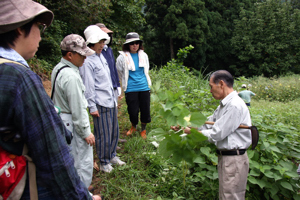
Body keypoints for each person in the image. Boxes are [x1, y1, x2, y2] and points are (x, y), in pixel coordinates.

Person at [0, 0, 101, 199]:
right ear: (20, 29)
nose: (40, 36)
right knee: (79, 162)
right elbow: (53, 155)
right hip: (27, 184)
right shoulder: (19, 77)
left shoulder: (56, 69)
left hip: (7, 177)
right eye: (39, 27)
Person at [173, 70, 251, 200]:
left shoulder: (234, 105)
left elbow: (217, 133)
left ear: (221, 84)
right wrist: (184, 124)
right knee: (226, 196)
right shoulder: (224, 105)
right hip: (227, 158)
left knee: (230, 197)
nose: (210, 91)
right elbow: (208, 123)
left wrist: (190, 132)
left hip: (234, 159)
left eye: (211, 86)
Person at [51, 34, 95, 190]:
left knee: (72, 158)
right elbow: (78, 108)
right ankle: (82, 190)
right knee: (82, 160)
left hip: (63, 120)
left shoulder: (59, 68)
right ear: (70, 55)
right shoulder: (71, 76)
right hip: (72, 122)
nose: (85, 58)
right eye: (81, 54)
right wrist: (85, 132)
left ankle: (79, 188)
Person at [80, 25, 125, 173]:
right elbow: (89, 86)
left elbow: (108, 79)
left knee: (113, 131)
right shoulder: (87, 61)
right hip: (100, 103)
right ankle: (104, 161)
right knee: (103, 134)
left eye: (103, 42)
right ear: (92, 42)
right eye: (100, 42)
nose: (102, 45)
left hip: (110, 100)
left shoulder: (101, 57)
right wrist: (92, 106)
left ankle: (112, 155)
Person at [95, 23, 127, 146]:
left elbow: (112, 68)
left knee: (114, 115)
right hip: (103, 89)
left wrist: (117, 84)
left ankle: (115, 139)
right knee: (106, 119)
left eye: (108, 35)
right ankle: (108, 144)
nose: (107, 37)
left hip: (113, 86)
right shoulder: (96, 52)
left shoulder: (108, 50)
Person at [116, 32, 152, 139]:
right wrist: (122, 89)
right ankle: (133, 126)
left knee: (145, 109)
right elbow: (120, 73)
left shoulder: (144, 55)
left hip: (144, 87)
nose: (134, 45)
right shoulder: (122, 58)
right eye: (132, 43)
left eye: (137, 43)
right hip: (131, 88)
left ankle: (143, 129)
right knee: (133, 110)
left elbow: (146, 70)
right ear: (127, 45)